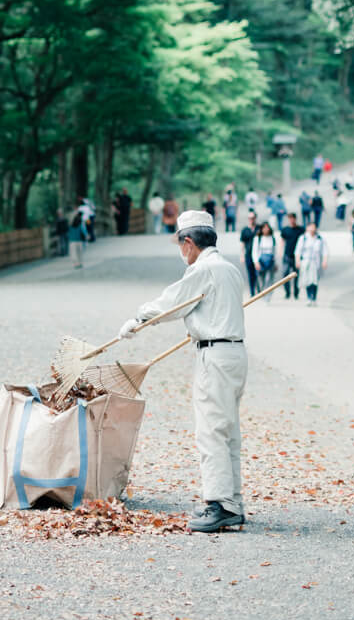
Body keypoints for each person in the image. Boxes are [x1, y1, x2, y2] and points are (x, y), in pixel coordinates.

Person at [116, 210, 249, 533]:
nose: (181, 253)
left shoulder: (205, 269)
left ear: (188, 242)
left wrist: (138, 320)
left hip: (215, 355)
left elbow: (173, 302)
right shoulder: (229, 269)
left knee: (211, 430)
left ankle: (219, 504)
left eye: (180, 245)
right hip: (235, 353)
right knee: (228, 429)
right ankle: (233, 501)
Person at [293, 222, 328, 304]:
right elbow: (298, 251)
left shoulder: (320, 238)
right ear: (307, 228)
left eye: (314, 227)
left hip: (315, 262)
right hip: (305, 261)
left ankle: (314, 298)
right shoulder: (303, 238)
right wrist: (297, 261)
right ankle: (309, 297)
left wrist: (324, 261)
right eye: (311, 227)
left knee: (314, 281)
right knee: (307, 280)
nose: (312, 229)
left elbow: (324, 251)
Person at [279, 213, 304, 299]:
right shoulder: (285, 230)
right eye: (290, 218)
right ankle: (287, 292)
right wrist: (280, 252)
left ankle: (296, 292)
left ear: (295, 219)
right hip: (287, 255)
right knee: (285, 274)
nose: (291, 220)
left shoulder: (300, 229)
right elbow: (282, 241)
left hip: (296, 256)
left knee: (296, 275)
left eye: (293, 218)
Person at [237, 210, 259, 296]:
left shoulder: (259, 228)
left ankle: (259, 288)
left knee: (258, 273)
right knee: (250, 274)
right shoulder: (245, 230)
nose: (251, 220)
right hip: (248, 255)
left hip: (258, 255)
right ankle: (252, 291)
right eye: (250, 218)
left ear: (255, 218)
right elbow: (242, 244)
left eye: (253, 218)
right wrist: (242, 255)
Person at [253, 221, 278, 291]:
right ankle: (261, 291)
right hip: (261, 261)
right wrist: (256, 262)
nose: (266, 229)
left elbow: (274, 251)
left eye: (267, 228)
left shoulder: (272, 238)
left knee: (270, 278)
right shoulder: (258, 238)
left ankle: (268, 295)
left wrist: (275, 262)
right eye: (264, 228)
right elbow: (254, 251)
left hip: (270, 261)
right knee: (261, 278)